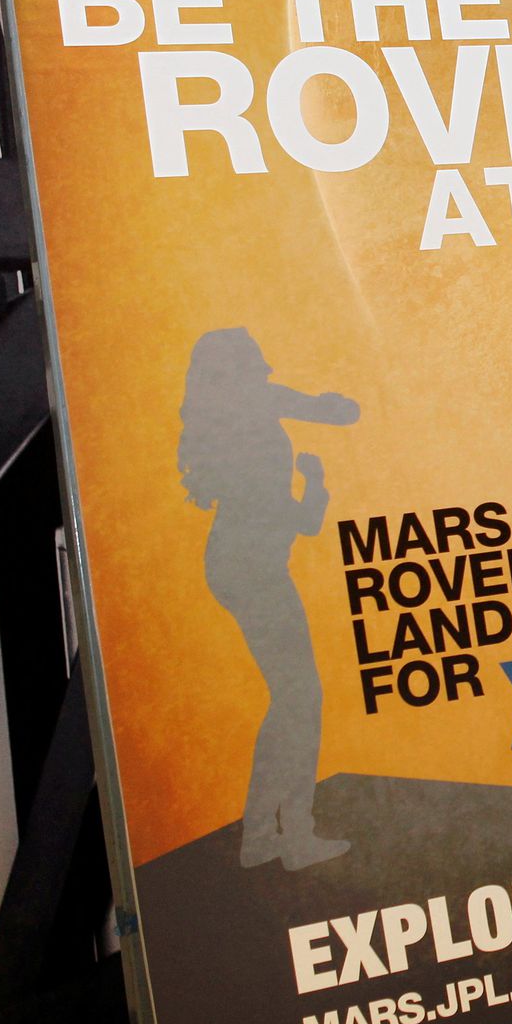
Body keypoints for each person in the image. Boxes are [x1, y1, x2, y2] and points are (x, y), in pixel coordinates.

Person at [178, 326, 360, 871]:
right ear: (239, 373)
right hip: (252, 570)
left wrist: (315, 480)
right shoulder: (253, 410)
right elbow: (340, 413)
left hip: (239, 565)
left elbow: (302, 522)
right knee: (300, 698)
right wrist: (330, 408)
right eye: (254, 366)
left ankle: (262, 837)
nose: (263, 375)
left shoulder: (227, 425)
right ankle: (291, 837)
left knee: (292, 701)